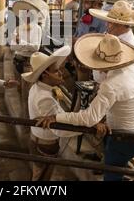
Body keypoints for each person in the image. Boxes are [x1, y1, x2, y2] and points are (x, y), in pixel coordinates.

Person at [36, 34, 134, 181]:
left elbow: (89, 118)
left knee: (112, 174)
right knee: (119, 166)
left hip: (123, 139)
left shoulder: (110, 84)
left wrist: (56, 117)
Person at [23, 46, 80, 181]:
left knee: (40, 175)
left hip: (39, 139)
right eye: (55, 71)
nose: (60, 73)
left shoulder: (40, 88)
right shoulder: (45, 97)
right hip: (45, 144)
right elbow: (60, 130)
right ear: (45, 75)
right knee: (41, 178)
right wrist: (85, 128)